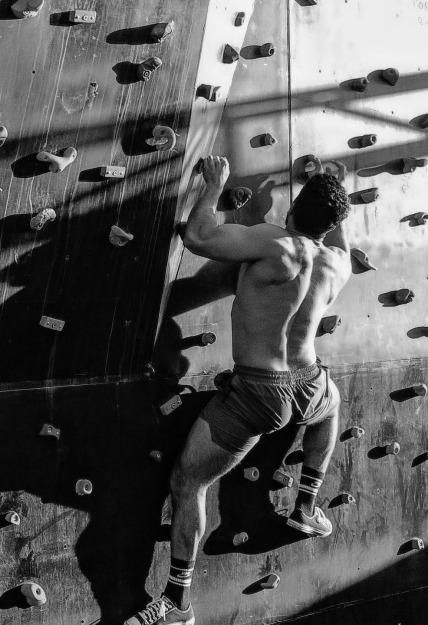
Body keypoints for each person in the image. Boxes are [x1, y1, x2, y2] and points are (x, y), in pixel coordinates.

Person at [124, 155, 352, 625]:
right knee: (332, 404)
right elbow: (338, 239)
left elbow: (198, 236)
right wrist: (331, 189)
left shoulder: (274, 243)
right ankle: (307, 504)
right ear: (331, 227)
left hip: (258, 393)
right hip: (309, 384)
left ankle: (179, 602)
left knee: (188, 483)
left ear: (293, 209)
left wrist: (214, 185)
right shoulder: (337, 264)